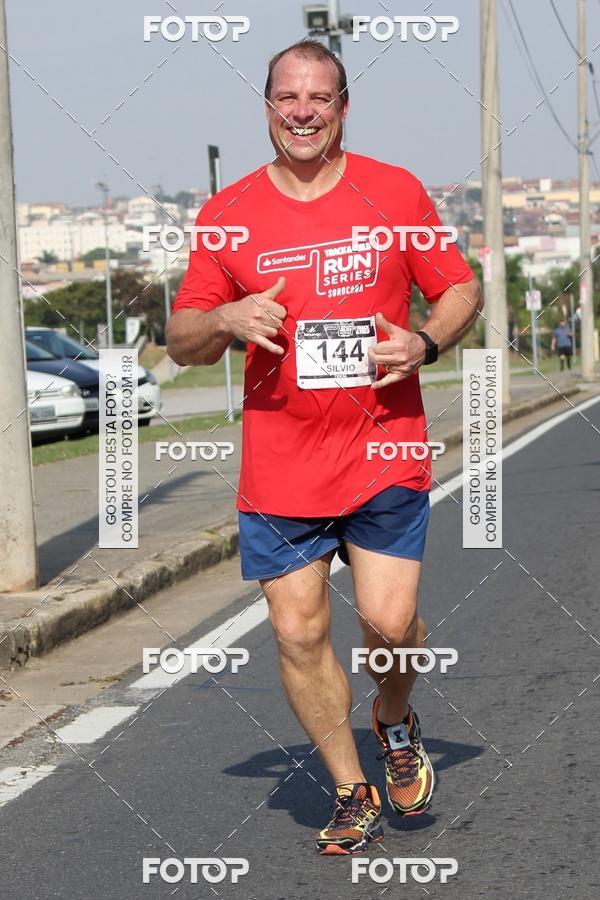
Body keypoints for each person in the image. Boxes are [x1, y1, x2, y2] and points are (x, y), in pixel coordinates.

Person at [167, 40, 483, 856]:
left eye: (318, 97)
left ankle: (392, 716)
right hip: (280, 464)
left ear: (344, 104)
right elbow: (180, 339)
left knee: (389, 624)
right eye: (286, 98)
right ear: (266, 106)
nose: (301, 112)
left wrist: (425, 342)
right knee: (298, 632)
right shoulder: (227, 214)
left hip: (381, 449)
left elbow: (459, 286)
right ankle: (350, 789)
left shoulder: (395, 190)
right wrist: (225, 321)